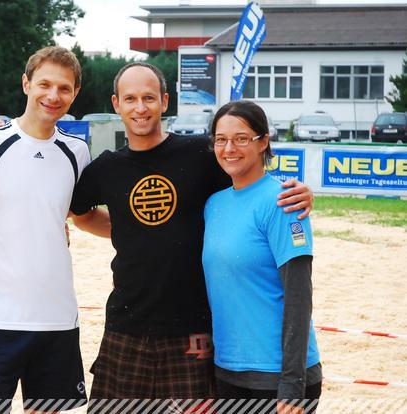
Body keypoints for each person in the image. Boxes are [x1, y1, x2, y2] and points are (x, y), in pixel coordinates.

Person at [69, 62, 313, 410]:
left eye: (149, 97)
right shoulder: (107, 167)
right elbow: (80, 214)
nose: (140, 107)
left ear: (165, 101)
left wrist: (300, 191)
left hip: (192, 329)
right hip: (126, 324)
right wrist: (126, 228)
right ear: (116, 104)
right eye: (130, 98)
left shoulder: (200, 154)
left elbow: (249, 179)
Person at [0, 46, 96, 412]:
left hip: (57, 317)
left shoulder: (77, 152)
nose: (53, 95)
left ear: (75, 93)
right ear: (26, 84)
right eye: (44, 84)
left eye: (64, 88)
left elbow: (81, 215)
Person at [202, 100, 322, 413]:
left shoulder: (284, 201)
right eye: (221, 139)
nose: (229, 148)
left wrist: (292, 383)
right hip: (227, 370)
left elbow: (299, 295)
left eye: (241, 138)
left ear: (263, 141)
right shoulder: (214, 204)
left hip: (278, 377)